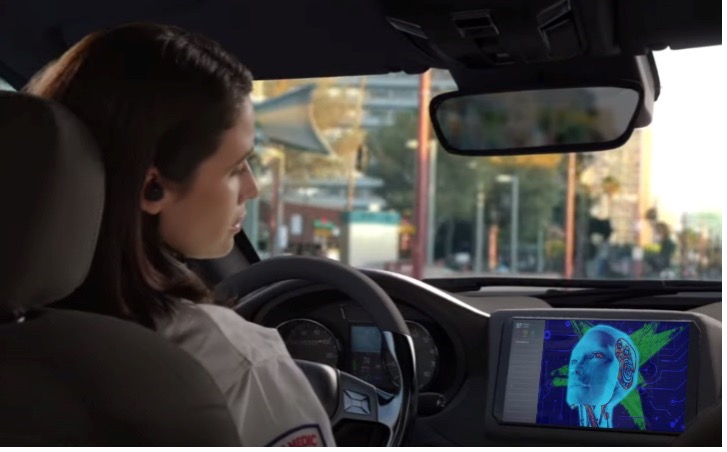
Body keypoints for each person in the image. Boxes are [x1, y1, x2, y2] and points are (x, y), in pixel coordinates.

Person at [25, 23, 335, 447]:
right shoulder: (232, 362)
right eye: (234, 168)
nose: (252, 188)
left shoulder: (23, 343)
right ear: (152, 187)